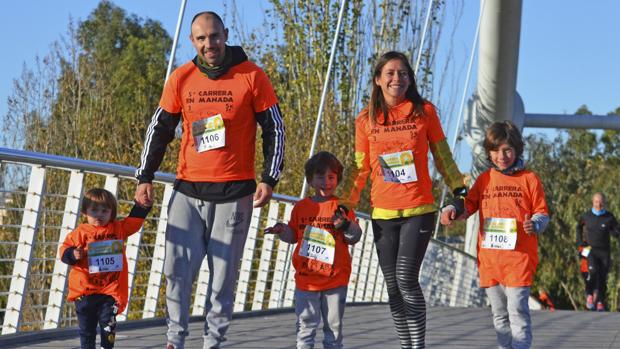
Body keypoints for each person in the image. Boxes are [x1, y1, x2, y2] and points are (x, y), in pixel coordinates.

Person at [133, 11, 285, 349]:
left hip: (235, 192)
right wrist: (145, 177)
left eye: (214, 36)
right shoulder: (181, 77)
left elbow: (274, 128)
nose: (209, 44)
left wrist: (269, 178)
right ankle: (175, 339)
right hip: (187, 189)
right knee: (176, 272)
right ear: (193, 41)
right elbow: (159, 130)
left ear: (225, 35)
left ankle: (213, 341)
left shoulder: (252, 76)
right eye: (201, 39)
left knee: (222, 279)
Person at [344, 51, 466, 349]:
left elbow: (442, 156)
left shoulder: (424, 111)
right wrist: (343, 204)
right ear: (378, 80)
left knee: (405, 278)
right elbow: (360, 169)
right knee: (393, 287)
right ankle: (406, 345)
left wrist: (459, 189)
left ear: (410, 79)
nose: (397, 78)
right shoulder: (365, 120)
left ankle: (418, 346)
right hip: (383, 213)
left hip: (419, 208)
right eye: (390, 73)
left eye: (403, 74)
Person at [441, 121, 549, 349]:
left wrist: (535, 225)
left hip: (519, 259)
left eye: (507, 149)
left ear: (517, 150)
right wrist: (452, 210)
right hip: (491, 261)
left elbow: (542, 212)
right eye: (496, 150)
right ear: (489, 152)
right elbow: (468, 205)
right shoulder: (484, 179)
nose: (502, 156)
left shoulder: (529, 179)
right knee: (499, 315)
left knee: (517, 311)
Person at [265, 151, 361, 349]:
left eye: (331, 177)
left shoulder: (342, 207)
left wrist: (345, 225)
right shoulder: (301, 207)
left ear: (337, 179)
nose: (326, 182)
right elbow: (293, 236)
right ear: (310, 180)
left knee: (333, 329)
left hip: (335, 279)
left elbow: (354, 237)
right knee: (305, 327)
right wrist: (282, 230)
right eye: (320, 177)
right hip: (306, 279)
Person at [60, 188, 151, 349]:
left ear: (112, 212)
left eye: (104, 211)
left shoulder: (117, 229)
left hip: (110, 290)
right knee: (87, 330)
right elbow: (64, 250)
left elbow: (133, 223)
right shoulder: (81, 232)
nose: (99, 215)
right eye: (94, 210)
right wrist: (73, 254)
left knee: (108, 324)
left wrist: (141, 207)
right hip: (85, 291)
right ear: (85, 212)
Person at [576, 192, 620, 311]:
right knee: (593, 271)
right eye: (596, 202)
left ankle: (600, 301)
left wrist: (615, 232)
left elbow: (616, 229)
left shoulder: (609, 217)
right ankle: (589, 295)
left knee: (603, 277)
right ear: (592, 202)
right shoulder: (586, 216)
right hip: (590, 250)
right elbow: (578, 227)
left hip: (605, 251)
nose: (598, 204)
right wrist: (581, 243)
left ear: (604, 203)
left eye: (600, 202)